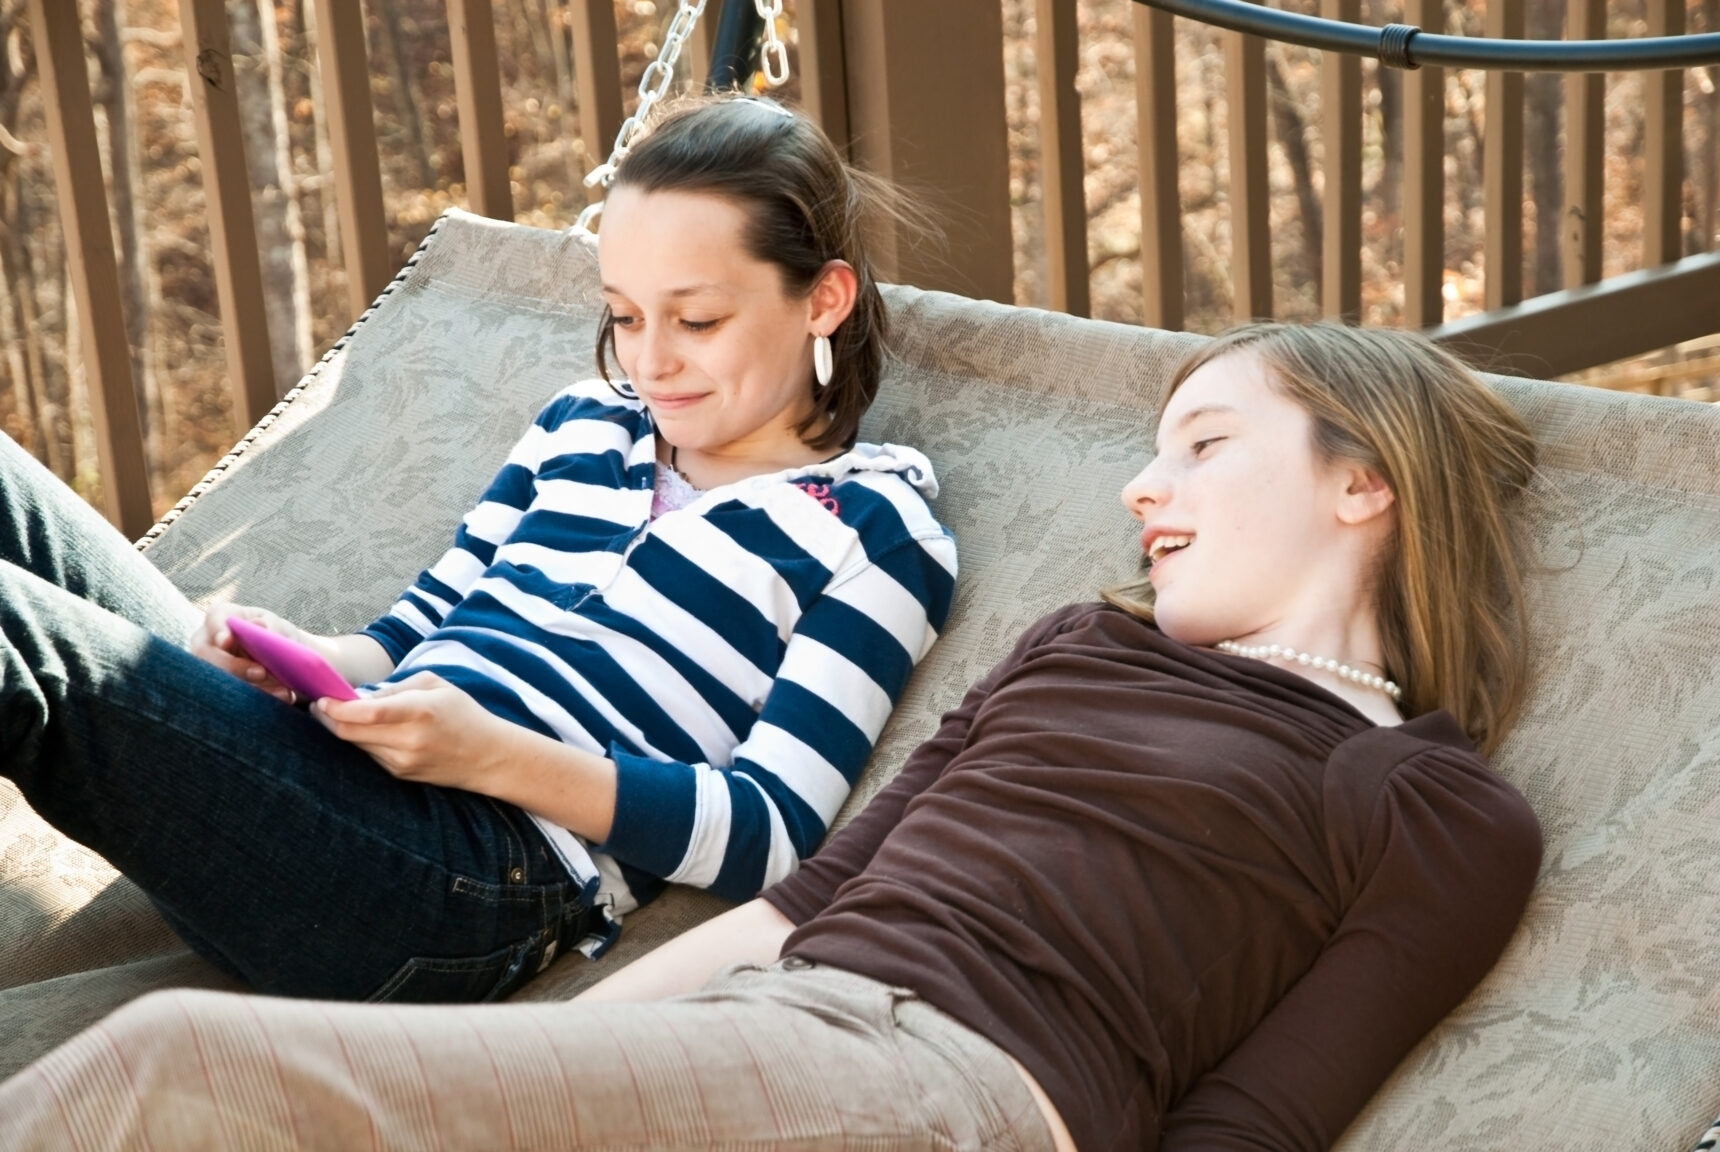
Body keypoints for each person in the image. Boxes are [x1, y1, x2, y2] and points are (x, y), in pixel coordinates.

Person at [0, 322, 1543, 1152]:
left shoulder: (1427, 803)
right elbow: (797, 910)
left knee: (176, 1063)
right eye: (1150, 454)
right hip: (765, 1032)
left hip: (958, 1090)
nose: (1143, 491)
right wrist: (490, 1072)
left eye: (1203, 448)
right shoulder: (1076, 647)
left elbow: (1259, 1124)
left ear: (1367, 483)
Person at [0, 95, 956, 1004]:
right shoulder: (583, 426)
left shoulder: (873, 532)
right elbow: (415, 628)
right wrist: (300, 660)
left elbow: (773, 834)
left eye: (696, 320)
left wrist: (489, 757)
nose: (649, 360)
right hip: (338, 776)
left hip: (469, 883)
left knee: (18, 636)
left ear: (823, 298)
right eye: (624, 316)